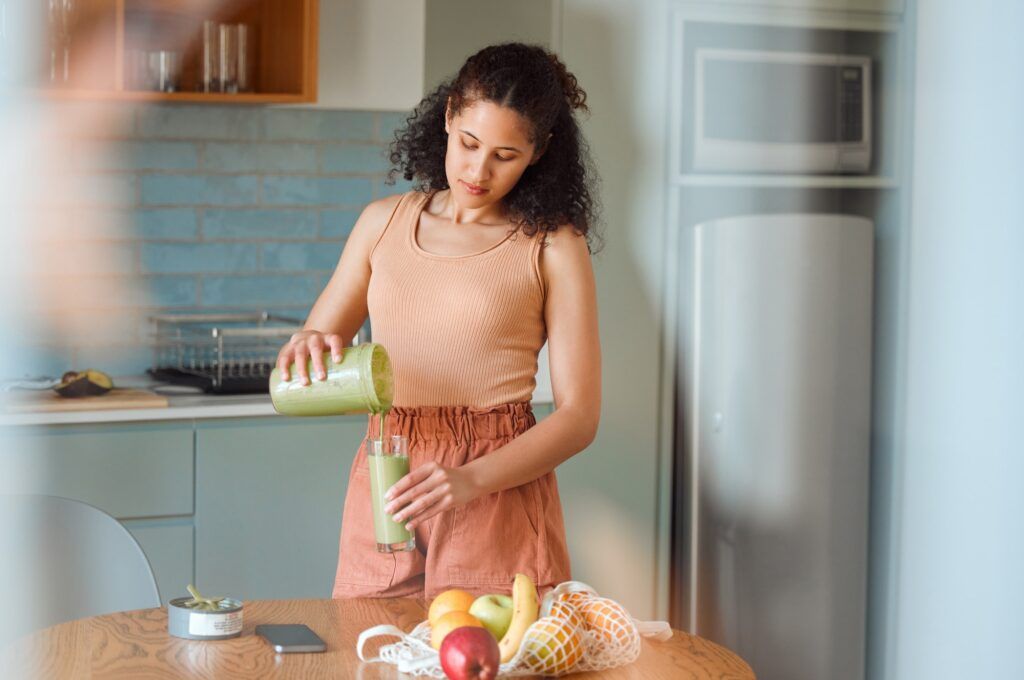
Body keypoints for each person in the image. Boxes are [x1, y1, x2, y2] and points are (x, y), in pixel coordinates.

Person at [275, 42, 601, 599]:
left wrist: (470, 478)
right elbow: (317, 344)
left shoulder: (552, 245)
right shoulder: (381, 224)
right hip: (388, 479)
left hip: (496, 490)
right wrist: (306, 348)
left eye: (506, 155)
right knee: (373, 656)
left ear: (538, 153)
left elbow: (579, 417)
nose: (478, 170)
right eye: (470, 143)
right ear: (449, 115)